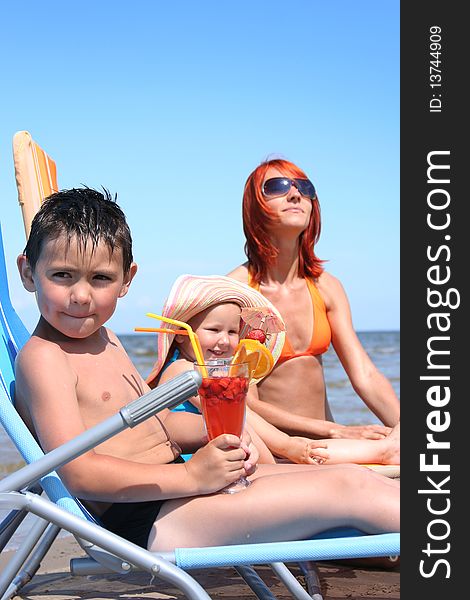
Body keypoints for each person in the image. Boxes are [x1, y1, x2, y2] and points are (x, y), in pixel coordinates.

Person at [14, 187, 399, 554]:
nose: (81, 296)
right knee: (347, 487)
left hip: (172, 490)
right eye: (62, 275)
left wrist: (217, 433)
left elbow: (158, 425)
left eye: (100, 278)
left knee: (356, 476)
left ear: (126, 280)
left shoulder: (107, 339)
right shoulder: (45, 358)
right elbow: (77, 473)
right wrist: (193, 477)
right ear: (29, 273)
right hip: (144, 518)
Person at [228, 158, 400, 440]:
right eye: (277, 186)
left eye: (305, 187)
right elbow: (245, 401)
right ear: (254, 205)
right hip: (274, 450)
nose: (295, 194)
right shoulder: (237, 292)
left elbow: (365, 375)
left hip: (330, 442)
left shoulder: (326, 287)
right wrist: (337, 430)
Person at [147, 274, 399, 467]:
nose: (224, 341)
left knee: (303, 455)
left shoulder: (215, 372)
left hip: (228, 456)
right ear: (180, 335)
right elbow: (241, 414)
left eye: (232, 332)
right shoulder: (181, 370)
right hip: (199, 464)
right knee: (300, 457)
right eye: (213, 331)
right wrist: (286, 445)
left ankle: (384, 450)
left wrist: (286, 448)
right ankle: (384, 451)